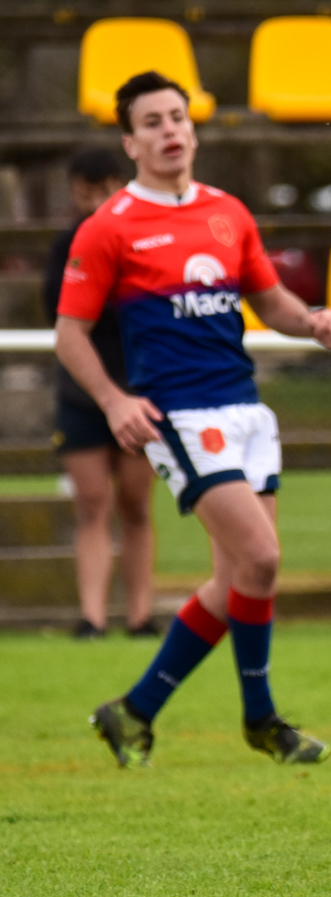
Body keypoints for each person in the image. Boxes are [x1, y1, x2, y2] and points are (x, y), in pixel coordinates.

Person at [57, 72, 331, 768]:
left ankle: (133, 711)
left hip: (246, 408)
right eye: (152, 122)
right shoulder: (110, 226)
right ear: (130, 143)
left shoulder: (227, 212)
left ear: (193, 128)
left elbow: (268, 302)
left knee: (239, 576)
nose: (170, 131)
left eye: (177, 117)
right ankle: (261, 717)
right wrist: (115, 400)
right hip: (180, 416)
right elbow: (69, 333)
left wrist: (311, 321)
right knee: (261, 557)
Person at [42, 146, 156, 640]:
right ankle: (92, 618)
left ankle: (140, 616)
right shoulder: (67, 246)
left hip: (138, 392)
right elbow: (64, 319)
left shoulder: (144, 241)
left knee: (135, 503)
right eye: (86, 193)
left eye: (105, 191)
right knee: (91, 503)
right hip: (83, 394)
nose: (96, 203)